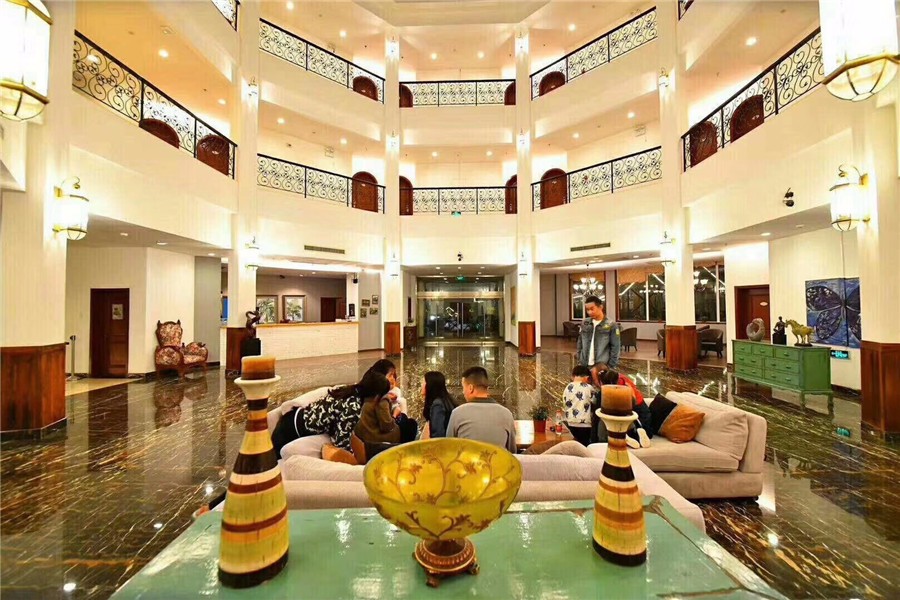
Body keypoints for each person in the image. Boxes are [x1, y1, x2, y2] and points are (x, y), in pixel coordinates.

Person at [271, 359, 397, 456]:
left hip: (290, 419)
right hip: (290, 431)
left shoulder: (351, 390)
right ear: (376, 396)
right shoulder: (353, 407)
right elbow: (341, 444)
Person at [446, 366, 516, 454]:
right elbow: (512, 452)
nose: (463, 392)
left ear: (470, 388)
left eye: (463, 387)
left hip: (467, 462)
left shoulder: (458, 413)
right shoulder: (506, 414)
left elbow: (449, 449)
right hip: (497, 462)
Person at [598, 368, 651, 449]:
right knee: (640, 427)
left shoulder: (616, 388)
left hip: (634, 406)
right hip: (634, 406)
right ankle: (638, 433)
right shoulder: (621, 381)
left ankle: (627, 436)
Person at [353, 371, 400, 445]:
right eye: (390, 375)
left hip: (364, 437)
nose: (392, 378)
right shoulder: (382, 400)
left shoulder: (364, 398)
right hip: (378, 440)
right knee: (407, 423)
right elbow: (386, 425)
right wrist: (394, 415)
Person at [575, 295, 621, 370]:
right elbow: (580, 343)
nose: (589, 312)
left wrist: (610, 366)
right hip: (584, 364)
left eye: (592, 309)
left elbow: (616, 347)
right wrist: (579, 359)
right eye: (587, 310)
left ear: (600, 307)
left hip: (601, 366)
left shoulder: (611, 325)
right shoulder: (585, 323)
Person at [562, 365, 597, 446]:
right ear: (587, 378)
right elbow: (595, 401)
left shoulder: (568, 387)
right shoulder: (589, 388)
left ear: (573, 376)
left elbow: (565, 403)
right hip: (585, 424)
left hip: (570, 422)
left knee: (573, 446)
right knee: (583, 446)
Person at [421, 371, 458, 439]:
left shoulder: (437, 405)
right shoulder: (446, 401)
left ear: (430, 385)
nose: (421, 385)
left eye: (423, 382)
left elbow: (438, 434)